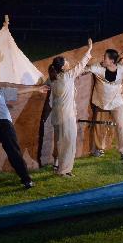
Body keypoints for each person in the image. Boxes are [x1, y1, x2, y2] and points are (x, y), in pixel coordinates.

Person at [46, 39, 93, 176]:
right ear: (62, 67)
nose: (68, 63)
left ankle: (56, 166)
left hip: (56, 117)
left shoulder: (52, 79)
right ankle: (64, 171)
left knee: (59, 142)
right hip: (67, 117)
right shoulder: (67, 77)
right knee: (69, 144)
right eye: (66, 62)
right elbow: (81, 64)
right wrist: (89, 49)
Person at [88, 49, 123, 161]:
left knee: (121, 126)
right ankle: (99, 148)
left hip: (117, 102)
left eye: (105, 57)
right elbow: (85, 69)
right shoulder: (98, 69)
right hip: (102, 102)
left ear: (112, 61)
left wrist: (122, 58)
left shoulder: (122, 69)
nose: (103, 59)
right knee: (100, 125)